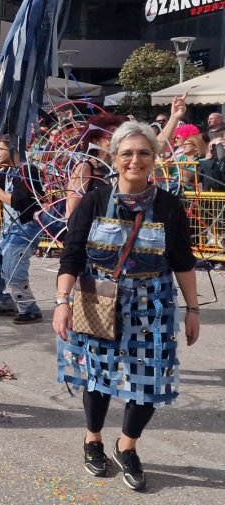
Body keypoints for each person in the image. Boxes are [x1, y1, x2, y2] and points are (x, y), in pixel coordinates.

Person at [53, 119, 199, 492]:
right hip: (97, 297)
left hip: (152, 303)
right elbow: (71, 254)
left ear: (155, 158)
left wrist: (193, 310)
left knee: (149, 381)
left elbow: (183, 259)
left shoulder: (167, 205)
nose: (136, 160)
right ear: (115, 158)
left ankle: (127, 445)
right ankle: (93, 440)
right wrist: (61, 301)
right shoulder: (96, 198)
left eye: (144, 153)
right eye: (128, 153)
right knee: (98, 377)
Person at [0, 136, 45, 324]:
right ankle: (5, 302)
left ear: (13, 150)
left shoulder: (28, 171)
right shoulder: (7, 172)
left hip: (24, 230)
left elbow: (16, 201)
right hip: (7, 230)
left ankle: (29, 309)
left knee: (13, 270)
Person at [65, 114, 125, 219]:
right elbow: (71, 211)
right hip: (90, 229)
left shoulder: (122, 168)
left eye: (119, 137)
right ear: (95, 141)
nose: (116, 141)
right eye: (110, 136)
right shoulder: (84, 167)